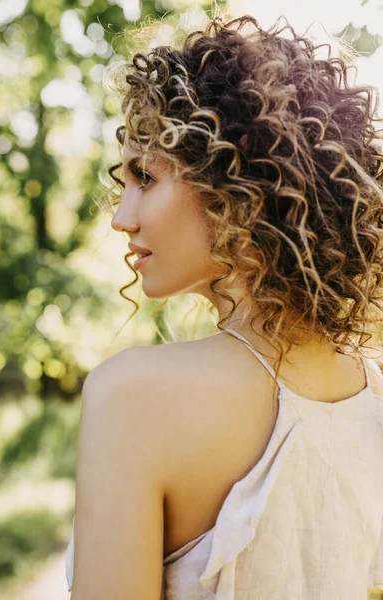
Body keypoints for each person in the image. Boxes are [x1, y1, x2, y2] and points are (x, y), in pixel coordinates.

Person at [66, 12, 383, 600]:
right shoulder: (374, 395)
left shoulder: (132, 394)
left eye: (145, 176)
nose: (120, 217)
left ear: (236, 185)